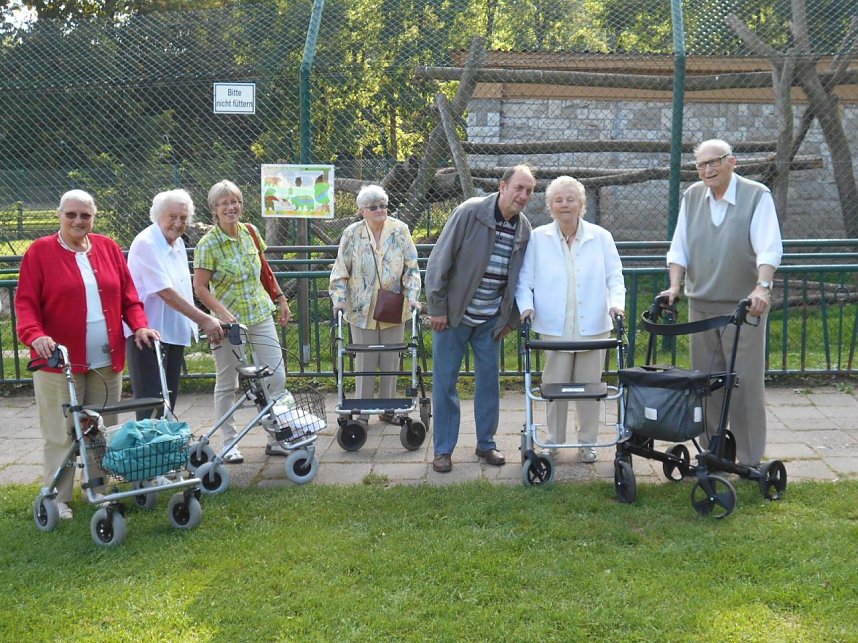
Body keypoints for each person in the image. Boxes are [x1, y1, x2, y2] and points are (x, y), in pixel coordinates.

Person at [15, 189, 159, 520]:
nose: (78, 220)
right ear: (59, 215)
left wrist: (139, 326)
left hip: (105, 359)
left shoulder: (107, 248)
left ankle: (97, 487)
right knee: (62, 430)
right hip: (59, 362)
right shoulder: (40, 252)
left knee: (100, 428)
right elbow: (25, 304)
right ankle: (56, 496)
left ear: (94, 217)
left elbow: (129, 298)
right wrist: (34, 336)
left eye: (85, 215)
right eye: (72, 215)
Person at [661, 139, 783, 468]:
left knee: (743, 383)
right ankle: (711, 453)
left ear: (733, 162)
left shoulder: (756, 195)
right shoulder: (692, 197)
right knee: (705, 384)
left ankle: (749, 458)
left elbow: (769, 246)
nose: (708, 169)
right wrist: (674, 286)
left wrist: (763, 286)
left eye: (716, 161)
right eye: (702, 164)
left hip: (743, 308)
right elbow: (680, 247)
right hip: (700, 304)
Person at [425, 165, 535, 473]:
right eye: (519, 188)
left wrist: (509, 319)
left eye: (529, 191)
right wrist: (437, 307)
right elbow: (439, 261)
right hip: (453, 317)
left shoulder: (524, 229)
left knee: (489, 383)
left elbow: (523, 278)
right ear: (503, 186)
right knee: (445, 382)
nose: (523, 196)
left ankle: (486, 444)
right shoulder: (470, 212)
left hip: (491, 322)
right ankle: (443, 449)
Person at [516, 176, 625, 463]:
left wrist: (616, 305)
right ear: (550, 206)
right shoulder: (539, 237)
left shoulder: (601, 237)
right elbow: (524, 280)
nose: (565, 205)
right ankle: (553, 442)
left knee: (590, 386)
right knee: (554, 386)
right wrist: (526, 307)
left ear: (582, 204)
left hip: (594, 326)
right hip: (554, 326)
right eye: (558, 200)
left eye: (571, 199)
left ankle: (588, 442)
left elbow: (615, 277)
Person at [192, 180, 292, 464]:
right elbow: (200, 288)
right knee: (228, 382)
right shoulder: (207, 244)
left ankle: (276, 438)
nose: (230, 207)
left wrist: (281, 298)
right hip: (229, 325)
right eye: (224, 203)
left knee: (276, 376)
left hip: (260, 314)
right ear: (214, 209)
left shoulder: (250, 231)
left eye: (234, 201)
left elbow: (265, 268)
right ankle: (229, 441)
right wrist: (220, 313)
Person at [125, 189, 224, 420]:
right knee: (151, 402)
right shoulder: (146, 243)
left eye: (183, 217)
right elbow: (165, 292)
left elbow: (181, 287)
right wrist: (204, 319)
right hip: (148, 333)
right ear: (158, 215)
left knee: (168, 399)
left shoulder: (177, 243)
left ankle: (164, 449)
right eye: (173, 217)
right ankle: (149, 451)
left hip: (173, 331)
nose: (178, 223)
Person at [329, 185, 421, 419]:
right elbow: (340, 270)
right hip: (361, 308)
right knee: (365, 363)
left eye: (383, 205)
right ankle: (362, 412)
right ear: (362, 211)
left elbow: (411, 268)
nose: (380, 210)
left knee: (391, 360)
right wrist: (338, 300)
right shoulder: (352, 233)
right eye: (373, 207)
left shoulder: (400, 230)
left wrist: (413, 298)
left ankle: (388, 409)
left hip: (394, 305)